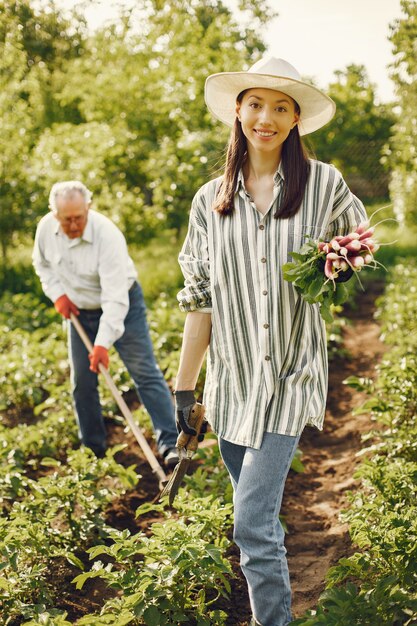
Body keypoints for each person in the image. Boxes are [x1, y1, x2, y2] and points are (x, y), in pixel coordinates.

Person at [173, 57, 368, 626]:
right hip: (232, 384)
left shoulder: (323, 183)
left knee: (250, 523)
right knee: (258, 516)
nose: (267, 117)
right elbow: (199, 302)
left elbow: (359, 243)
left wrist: (342, 263)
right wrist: (186, 393)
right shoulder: (211, 201)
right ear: (238, 111)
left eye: (282, 108)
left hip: (289, 374)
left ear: (295, 120)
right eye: (257, 104)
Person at [33, 180, 179, 467]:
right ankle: (93, 451)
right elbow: (42, 264)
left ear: (88, 208)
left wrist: (102, 344)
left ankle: (170, 443)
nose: (74, 225)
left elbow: (115, 299)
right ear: (54, 214)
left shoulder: (107, 235)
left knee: (144, 372)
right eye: (66, 219)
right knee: (82, 383)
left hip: (122, 305)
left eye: (79, 217)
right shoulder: (45, 231)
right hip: (78, 310)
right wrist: (57, 294)